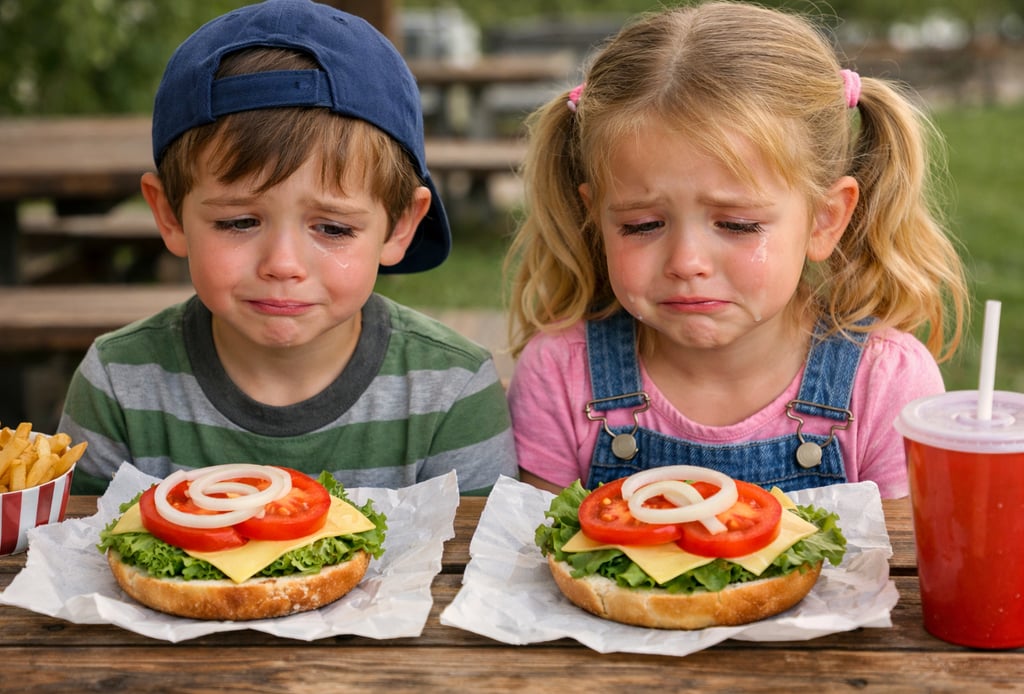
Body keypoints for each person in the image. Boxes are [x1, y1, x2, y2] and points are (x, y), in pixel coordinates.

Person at [505, 1, 968, 499]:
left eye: (737, 224)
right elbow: (538, 561)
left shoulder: (884, 383)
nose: (687, 263)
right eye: (642, 225)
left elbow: (908, 566)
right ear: (596, 218)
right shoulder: (560, 374)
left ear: (825, 219)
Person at [60, 0, 517, 496]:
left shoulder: (452, 389)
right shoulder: (117, 384)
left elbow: (473, 564)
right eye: (238, 221)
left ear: (400, 225)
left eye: (334, 228)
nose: (282, 264)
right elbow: (82, 552)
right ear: (170, 215)